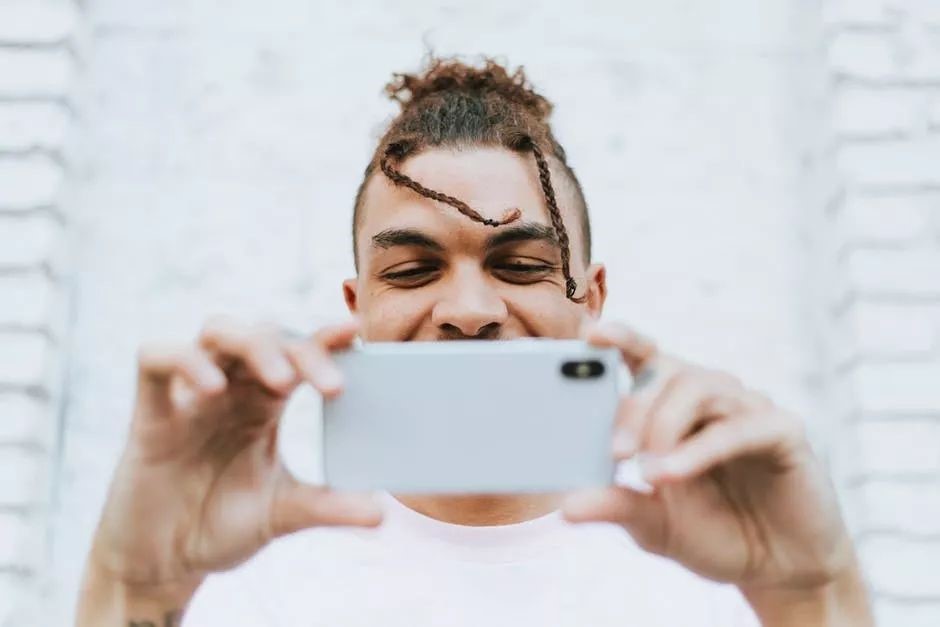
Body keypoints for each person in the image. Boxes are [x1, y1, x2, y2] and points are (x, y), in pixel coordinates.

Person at [76, 57, 873, 626]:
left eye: (520, 265)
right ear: (358, 309)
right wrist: (133, 587)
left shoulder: (720, 564)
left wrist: (811, 595)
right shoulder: (236, 572)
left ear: (591, 300)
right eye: (413, 270)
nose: (467, 308)